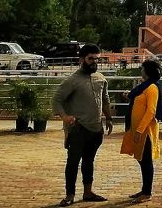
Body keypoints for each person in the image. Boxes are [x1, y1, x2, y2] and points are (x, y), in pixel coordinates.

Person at [52, 43, 114, 206]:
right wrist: (65, 117)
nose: (94, 62)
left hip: (96, 128)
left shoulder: (101, 78)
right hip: (78, 129)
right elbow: (56, 100)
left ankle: (88, 192)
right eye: (90, 58)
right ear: (81, 60)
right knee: (73, 162)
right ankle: (70, 195)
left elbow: (105, 100)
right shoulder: (72, 80)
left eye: (96, 59)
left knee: (89, 161)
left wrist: (108, 118)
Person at [120, 59, 162, 204]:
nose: (141, 71)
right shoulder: (143, 87)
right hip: (138, 130)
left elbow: (151, 111)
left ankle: (147, 192)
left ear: (147, 71)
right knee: (141, 160)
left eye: (142, 69)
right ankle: (144, 189)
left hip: (146, 132)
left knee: (146, 161)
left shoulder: (152, 88)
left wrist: (140, 130)